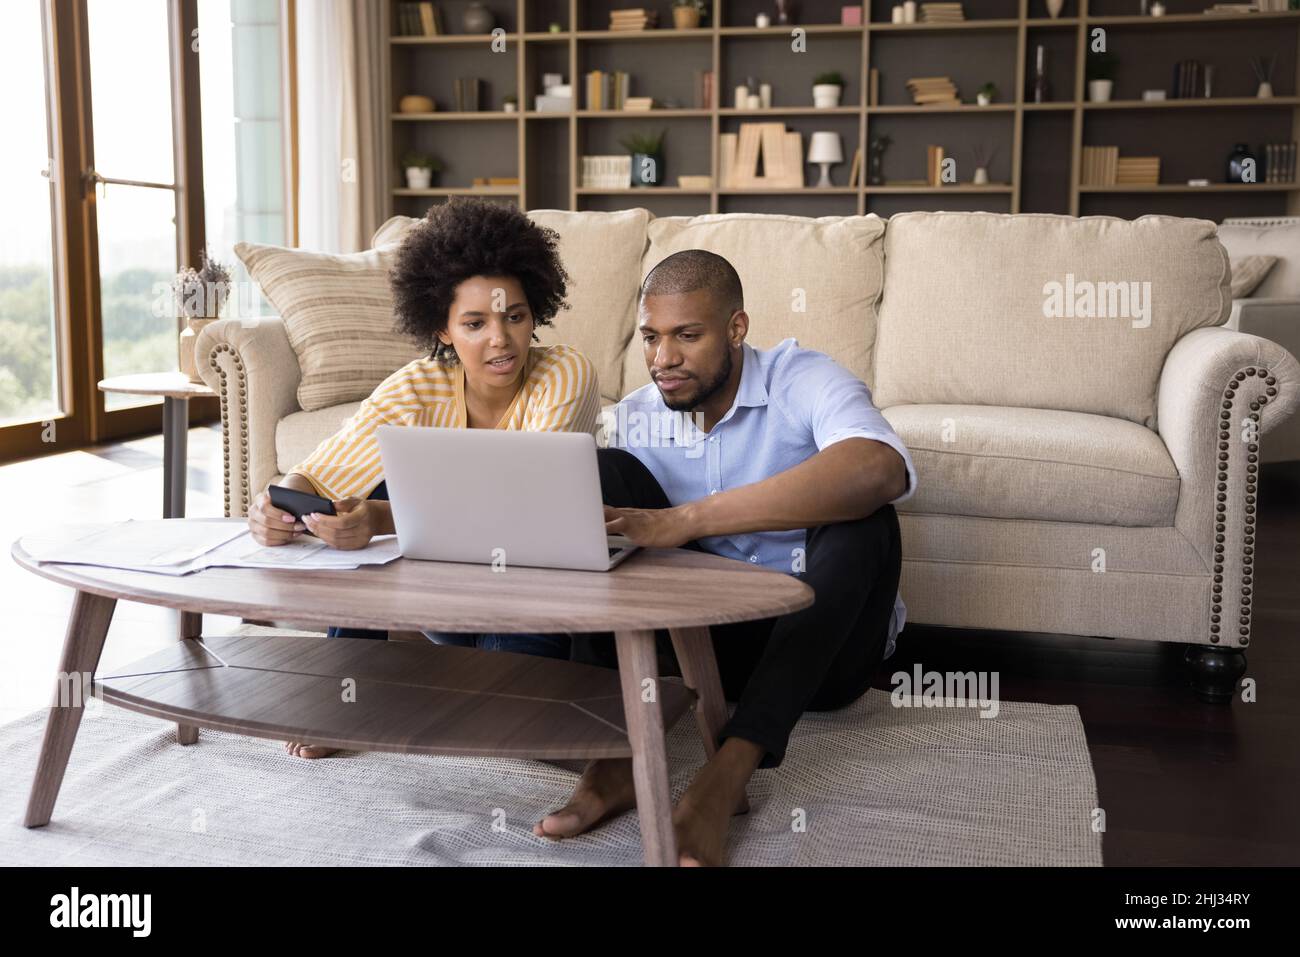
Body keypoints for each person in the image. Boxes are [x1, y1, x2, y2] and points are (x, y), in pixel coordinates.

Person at [531, 249, 916, 866]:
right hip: (699, 650)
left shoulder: (803, 379)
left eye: (688, 335)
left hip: (820, 654)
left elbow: (878, 469)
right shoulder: (635, 417)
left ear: (737, 329)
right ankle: (617, 758)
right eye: (652, 338)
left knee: (866, 517)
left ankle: (726, 774)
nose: (664, 359)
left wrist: (686, 520)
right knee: (600, 473)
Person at [244, 197, 601, 757]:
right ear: (442, 327)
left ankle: (432, 681)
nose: (500, 340)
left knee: (507, 727)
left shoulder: (565, 373)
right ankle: (347, 697)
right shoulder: (417, 385)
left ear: (536, 312)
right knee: (358, 506)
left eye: (515, 316)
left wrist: (381, 518)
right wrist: (276, 505)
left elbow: (522, 506)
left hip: (529, 594)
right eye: (475, 323)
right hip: (443, 601)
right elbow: (318, 475)